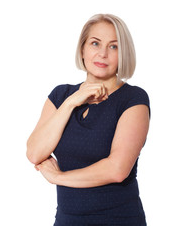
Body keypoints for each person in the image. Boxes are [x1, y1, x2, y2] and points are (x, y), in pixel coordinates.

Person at [26, 14, 150, 225]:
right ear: (82, 49)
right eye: (95, 43)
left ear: (123, 54)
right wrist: (71, 102)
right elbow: (35, 153)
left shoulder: (133, 99)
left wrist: (58, 178)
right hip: (67, 219)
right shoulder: (61, 96)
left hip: (118, 219)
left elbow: (117, 169)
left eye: (114, 47)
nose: (102, 53)